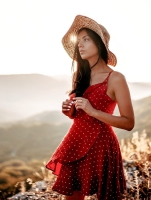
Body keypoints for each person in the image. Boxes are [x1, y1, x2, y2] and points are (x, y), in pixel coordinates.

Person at [45, 15, 134, 200]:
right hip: (75, 142)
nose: (80, 45)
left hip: (101, 146)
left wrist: (93, 111)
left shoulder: (116, 78)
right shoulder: (80, 75)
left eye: (86, 39)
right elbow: (78, 114)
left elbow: (128, 123)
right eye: (79, 41)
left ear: (100, 44)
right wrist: (69, 111)